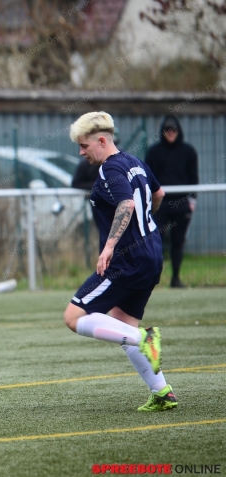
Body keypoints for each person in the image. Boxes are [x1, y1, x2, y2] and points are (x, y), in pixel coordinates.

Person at [64, 111, 176, 412]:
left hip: (127, 260)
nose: (81, 152)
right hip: (151, 254)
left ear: (101, 140)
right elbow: (159, 193)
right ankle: (162, 391)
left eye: (84, 145)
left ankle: (145, 338)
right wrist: (145, 224)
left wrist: (110, 245)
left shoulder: (109, 170)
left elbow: (126, 203)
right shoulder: (135, 162)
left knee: (74, 317)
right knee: (122, 325)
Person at [145, 115, 199, 288]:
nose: (171, 133)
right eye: (167, 129)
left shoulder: (188, 151)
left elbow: (193, 178)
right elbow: (148, 178)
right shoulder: (153, 152)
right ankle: (153, 279)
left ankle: (175, 278)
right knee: (155, 242)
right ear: (163, 131)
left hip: (182, 203)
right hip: (159, 204)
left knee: (178, 242)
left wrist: (192, 201)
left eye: (173, 129)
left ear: (178, 131)